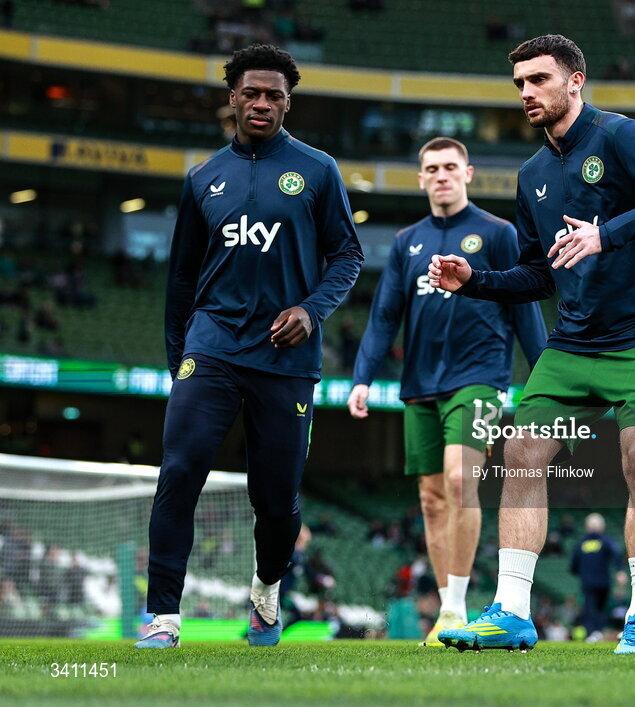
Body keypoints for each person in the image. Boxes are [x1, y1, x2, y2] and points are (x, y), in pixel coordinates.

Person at [430, 34, 635, 654]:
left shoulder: (619, 136)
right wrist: (475, 281)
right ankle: (510, 611)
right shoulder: (532, 174)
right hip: (575, 337)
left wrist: (607, 234)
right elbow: (539, 272)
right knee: (522, 452)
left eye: (539, 80)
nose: (528, 93)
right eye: (520, 84)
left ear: (575, 80)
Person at [135, 43, 363, 649]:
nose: (262, 103)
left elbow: (348, 255)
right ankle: (163, 618)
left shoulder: (317, 170)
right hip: (210, 348)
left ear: (289, 102)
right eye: (252, 93)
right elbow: (182, 278)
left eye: (275, 96)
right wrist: (177, 362)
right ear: (233, 96)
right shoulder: (203, 177)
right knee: (179, 472)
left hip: (285, 357)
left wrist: (311, 313)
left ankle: (266, 591)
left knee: (277, 499)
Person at [348, 137, 546, 646]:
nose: (441, 175)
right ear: (420, 178)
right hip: (419, 385)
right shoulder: (405, 242)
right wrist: (363, 378)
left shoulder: (498, 234)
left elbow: (524, 307)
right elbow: (385, 316)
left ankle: (457, 606)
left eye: (450, 167)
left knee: (461, 480)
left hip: (480, 377)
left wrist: (545, 381)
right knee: (433, 499)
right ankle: (448, 610)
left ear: (468, 173)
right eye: (431, 168)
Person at [570, 513, 622, 641]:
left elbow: (573, 566)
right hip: (603, 581)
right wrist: (619, 570)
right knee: (601, 608)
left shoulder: (580, 543)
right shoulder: (606, 541)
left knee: (588, 607)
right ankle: (599, 631)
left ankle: (591, 633)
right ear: (602, 527)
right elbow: (616, 553)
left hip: (587, 582)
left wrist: (582, 572)